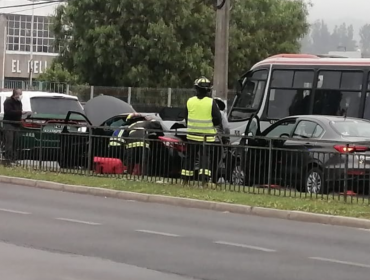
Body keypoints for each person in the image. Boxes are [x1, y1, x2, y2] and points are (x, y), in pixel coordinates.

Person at [181, 77, 222, 186]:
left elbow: (186, 117)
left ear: (196, 88)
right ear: (208, 90)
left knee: (190, 158)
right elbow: (218, 119)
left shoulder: (190, 101)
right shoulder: (211, 102)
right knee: (205, 158)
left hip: (192, 135)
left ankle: (185, 180)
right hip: (207, 137)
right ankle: (204, 181)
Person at [3, 89, 27, 165]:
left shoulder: (19, 102)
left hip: (17, 124)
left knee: (15, 143)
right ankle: (8, 159)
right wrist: (20, 112)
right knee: (9, 142)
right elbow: (8, 111)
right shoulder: (8, 101)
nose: (21, 96)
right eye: (20, 94)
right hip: (9, 124)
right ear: (16, 94)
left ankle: (14, 159)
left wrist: (23, 113)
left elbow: (19, 110)